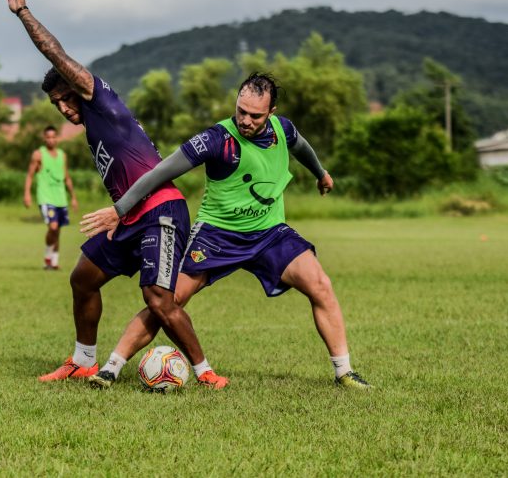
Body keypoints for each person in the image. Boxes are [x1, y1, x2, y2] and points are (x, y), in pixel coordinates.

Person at [4, 0, 228, 388]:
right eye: (56, 105)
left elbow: (55, 53)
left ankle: (206, 373)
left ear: (77, 87)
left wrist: (24, 14)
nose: (64, 108)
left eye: (65, 98)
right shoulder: (92, 125)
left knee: (158, 299)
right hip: (126, 216)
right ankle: (82, 361)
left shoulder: (100, 99)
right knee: (82, 278)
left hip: (161, 210)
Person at [81, 73, 372, 390]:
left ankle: (344, 372)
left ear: (271, 112)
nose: (245, 120)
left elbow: (301, 146)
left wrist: (321, 173)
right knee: (167, 301)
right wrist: (120, 209)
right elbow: (161, 171)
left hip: (269, 232)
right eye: (241, 111)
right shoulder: (216, 139)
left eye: (255, 115)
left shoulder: (282, 129)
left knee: (320, 285)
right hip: (216, 236)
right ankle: (111, 367)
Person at [24, 125, 79, 270]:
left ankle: (54, 262)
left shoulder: (62, 155)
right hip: (46, 197)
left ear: (57, 138)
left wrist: (73, 197)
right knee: (53, 227)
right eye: (48, 137)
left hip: (61, 198)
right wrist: (27, 194)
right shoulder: (38, 154)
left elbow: (67, 177)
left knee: (58, 230)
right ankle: (48, 257)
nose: (51, 140)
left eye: (53, 137)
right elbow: (30, 175)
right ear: (44, 138)